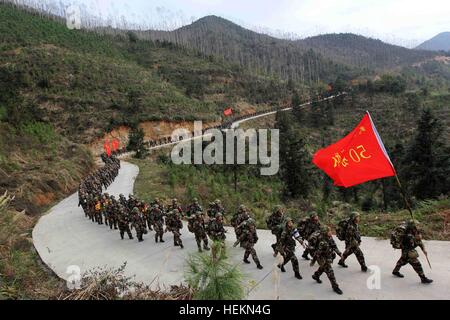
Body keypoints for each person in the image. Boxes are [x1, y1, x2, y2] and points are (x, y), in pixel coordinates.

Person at [392, 220, 433, 284]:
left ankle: (395, 271)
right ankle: (423, 278)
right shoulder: (407, 236)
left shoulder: (415, 231)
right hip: (408, 250)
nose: (418, 227)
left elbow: (419, 242)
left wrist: (423, 250)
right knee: (417, 264)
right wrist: (415, 238)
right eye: (416, 226)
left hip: (407, 251)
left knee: (402, 260)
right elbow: (413, 244)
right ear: (411, 227)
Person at [311, 226, 343, 295]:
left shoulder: (330, 238)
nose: (331, 232)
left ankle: (316, 275)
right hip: (322, 258)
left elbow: (334, 246)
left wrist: (339, 253)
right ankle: (335, 287)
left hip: (327, 256)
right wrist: (313, 261)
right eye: (329, 231)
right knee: (330, 272)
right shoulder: (322, 242)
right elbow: (317, 253)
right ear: (325, 233)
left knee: (323, 268)